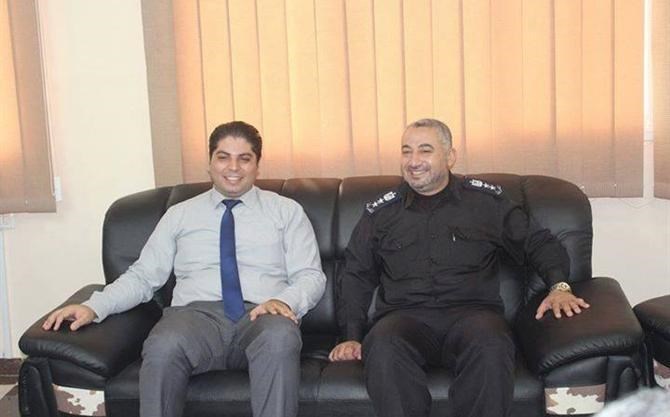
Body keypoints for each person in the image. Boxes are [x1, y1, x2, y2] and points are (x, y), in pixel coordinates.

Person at [43, 121, 327, 417]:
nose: (233, 167)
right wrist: (93, 307)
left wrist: (283, 302)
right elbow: (143, 277)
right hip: (194, 319)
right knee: (164, 345)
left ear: (257, 165)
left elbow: (310, 275)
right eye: (223, 157)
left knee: (280, 338)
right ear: (209, 163)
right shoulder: (179, 215)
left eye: (244, 158)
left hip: (262, 316)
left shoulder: (286, 212)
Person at [328, 118, 590, 417]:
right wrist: (351, 334)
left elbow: (539, 243)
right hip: (404, 318)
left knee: (492, 344)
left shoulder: (485, 202)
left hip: (472, 315)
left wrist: (559, 286)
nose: (413, 161)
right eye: (406, 151)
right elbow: (356, 274)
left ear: (450, 156)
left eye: (425, 150)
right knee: (383, 345)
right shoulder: (381, 213)